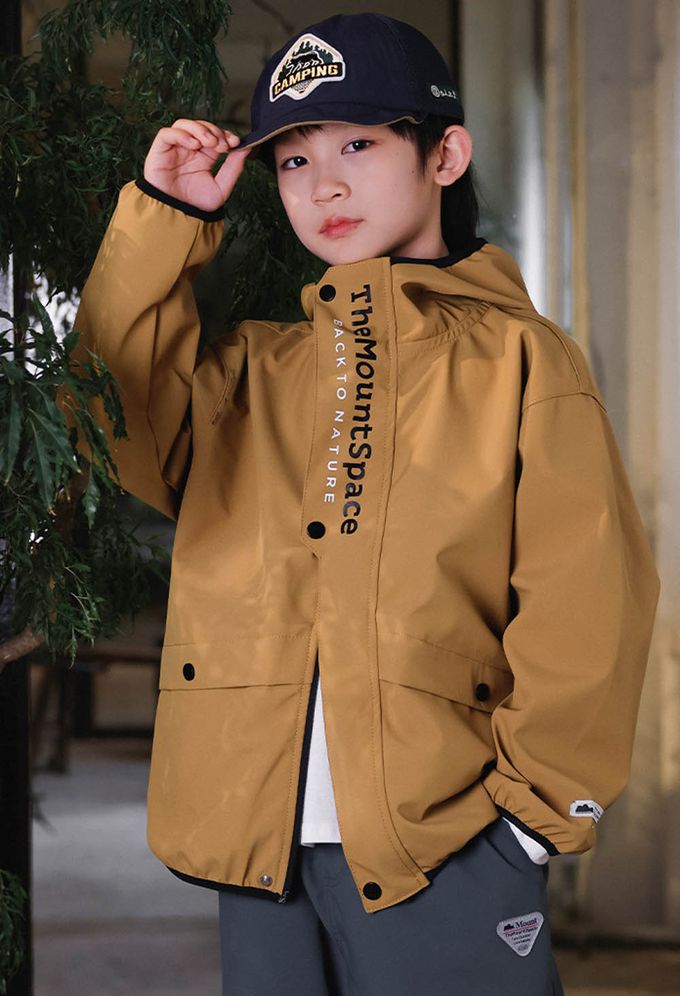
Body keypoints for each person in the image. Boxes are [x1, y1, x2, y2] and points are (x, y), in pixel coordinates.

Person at [63, 11, 661, 995]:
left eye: (358, 146)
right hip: (256, 845)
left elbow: (587, 601)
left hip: (447, 844)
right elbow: (105, 411)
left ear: (444, 156)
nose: (323, 185)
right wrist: (164, 217)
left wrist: (528, 820)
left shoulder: (521, 361)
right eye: (293, 162)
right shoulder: (256, 372)